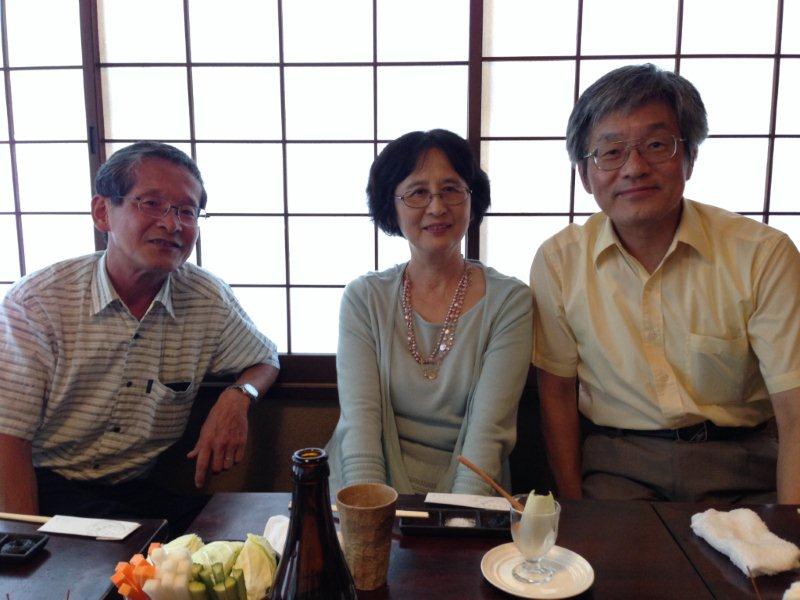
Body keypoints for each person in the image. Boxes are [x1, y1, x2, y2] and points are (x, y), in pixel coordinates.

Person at [531, 64, 800, 503]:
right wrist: (575, 508)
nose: (634, 168)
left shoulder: (763, 254)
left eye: (657, 145)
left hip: (743, 467)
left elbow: (794, 409)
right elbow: (557, 393)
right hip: (619, 469)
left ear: (689, 157)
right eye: (611, 152)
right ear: (584, 174)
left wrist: (790, 527)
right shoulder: (559, 261)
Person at [0, 142, 280, 530]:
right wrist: (26, 541)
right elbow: (8, 439)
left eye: (186, 211)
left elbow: (264, 359)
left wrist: (238, 397)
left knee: (245, 534)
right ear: (103, 213)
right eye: (151, 204)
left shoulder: (205, 297)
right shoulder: (38, 303)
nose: (172, 224)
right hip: (44, 484)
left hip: (132, 492)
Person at [326, 129, 532, 495]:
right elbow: (360, 424)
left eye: (451, 189)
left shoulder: (509, 301)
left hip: (472, 491)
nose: (437, 207)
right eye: (418, 192)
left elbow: (489, 434)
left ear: (472, 198)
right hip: (362, 490)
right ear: (391, 206)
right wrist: (368, 511)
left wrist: (460, 517)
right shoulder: (364, 299)